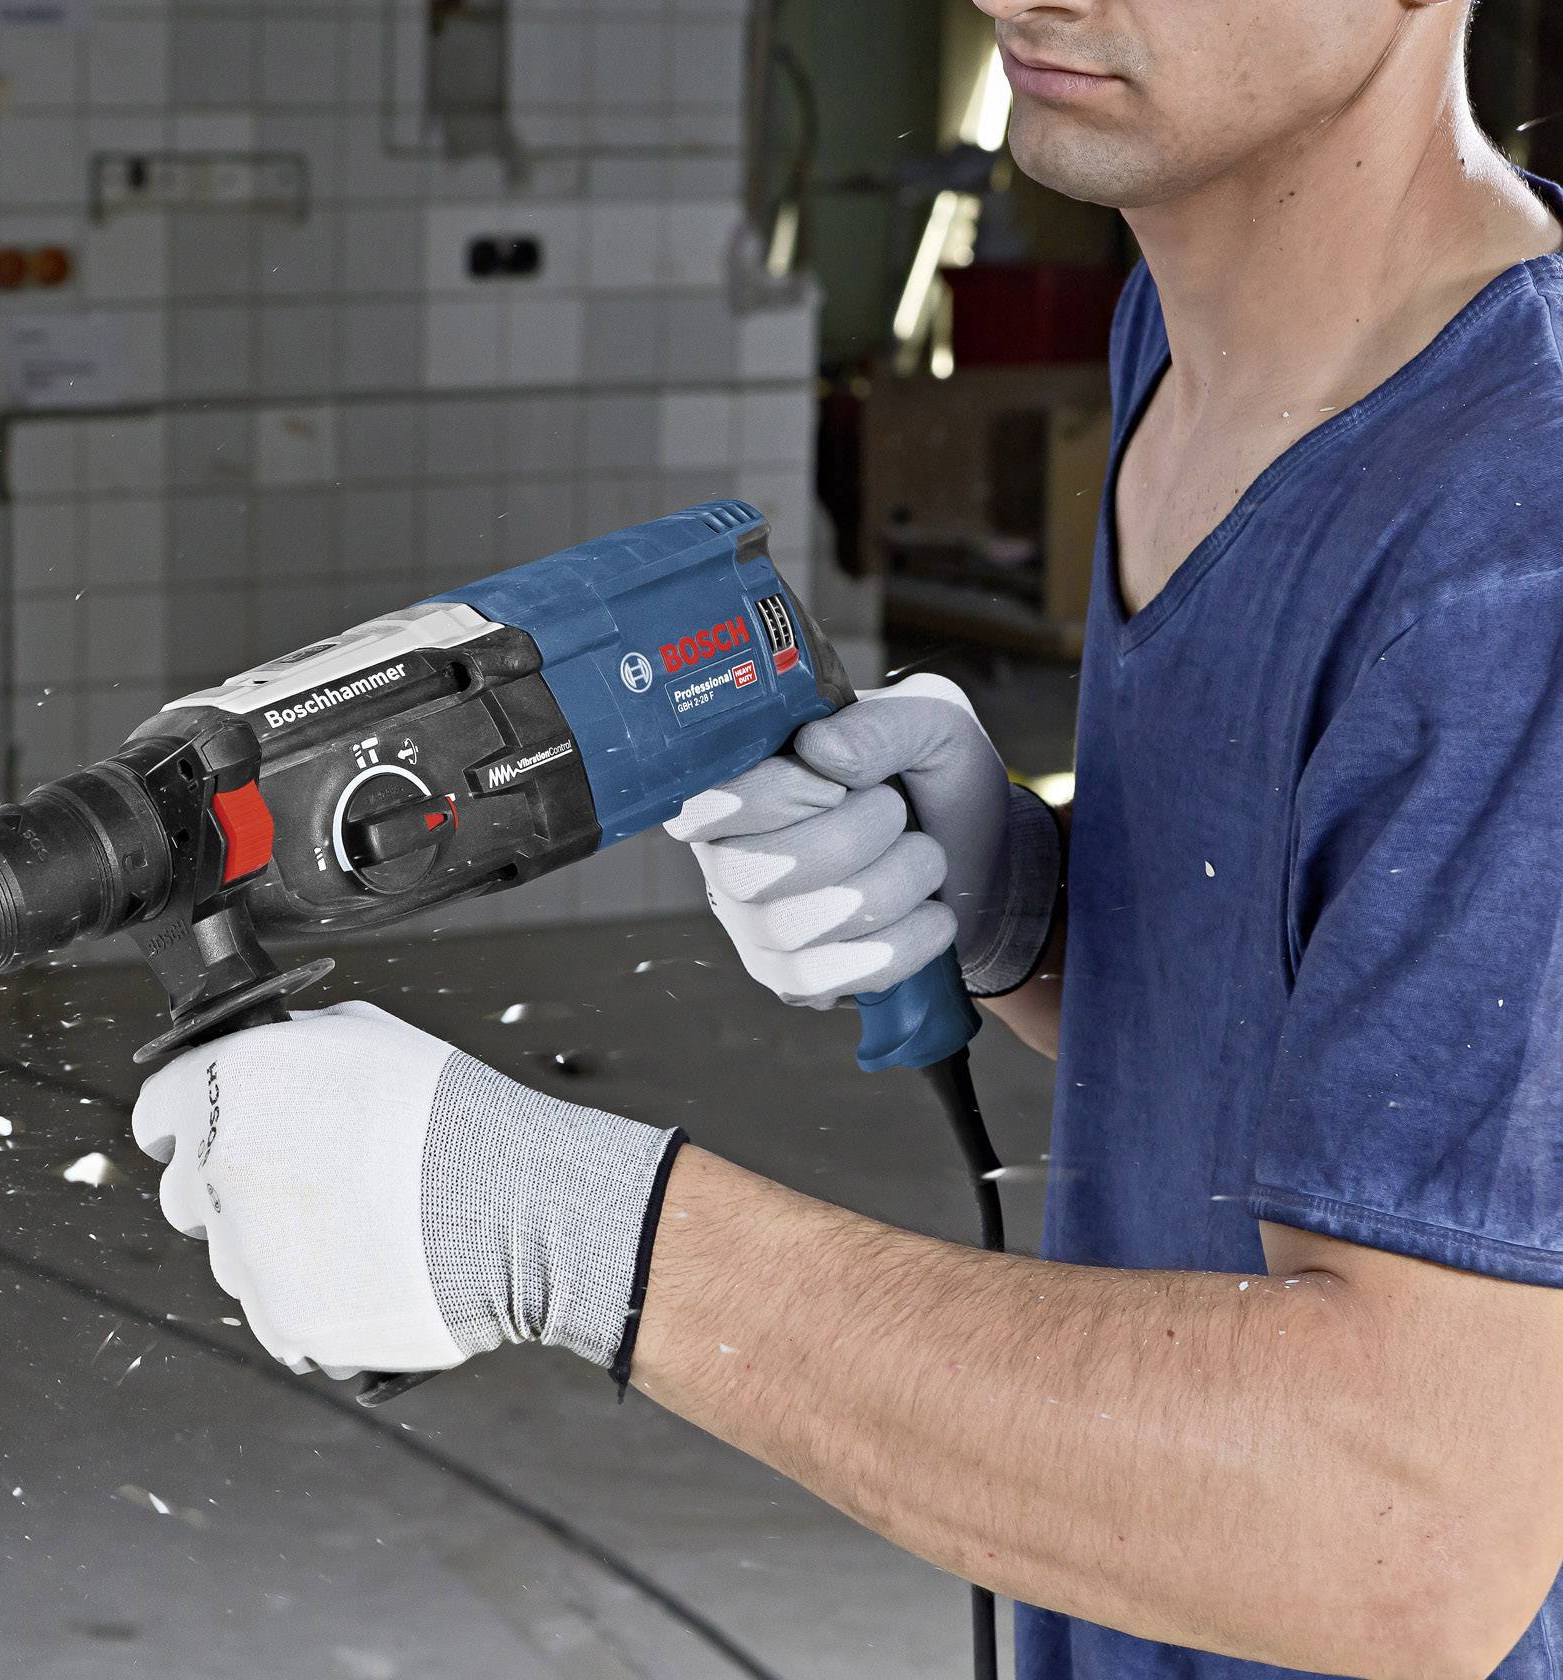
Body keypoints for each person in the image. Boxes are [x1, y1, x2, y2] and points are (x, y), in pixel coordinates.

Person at [127, 1, 1563, 1673]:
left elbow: (1414, 1527)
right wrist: (1037, 909)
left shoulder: (1512, 553)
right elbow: (1353, 1038)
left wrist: (564, 1226)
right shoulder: (1189, 349)